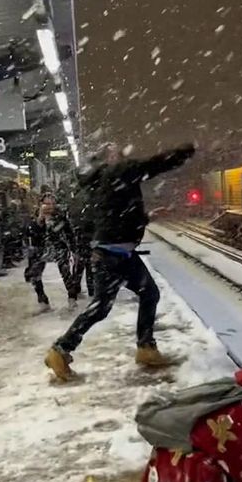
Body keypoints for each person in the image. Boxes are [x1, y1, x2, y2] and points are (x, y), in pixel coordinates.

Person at [43, 142, 197, 381]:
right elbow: (153, 164)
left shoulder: (100, 183)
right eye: (115, 151)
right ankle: (60, 350)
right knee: (101, 308)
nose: (123, 153)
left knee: (146, 294)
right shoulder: (117, 172)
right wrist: (187, 150)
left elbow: (115, 214)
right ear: (109, 159)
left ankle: (146, 348)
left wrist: (146, 217)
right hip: (114, 254)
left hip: (116, 252)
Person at [25, 193, 80, 311]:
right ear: (41, 204)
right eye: (46, 204)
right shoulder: (35, 216)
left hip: (58, 246)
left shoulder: (60, 216)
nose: (49, 207)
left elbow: (69, 233)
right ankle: (43, 300)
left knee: (66, 273)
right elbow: (31, 233)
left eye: (52, 204)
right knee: (35, 274)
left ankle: (72, 298)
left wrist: (74, 250)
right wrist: (40, 219)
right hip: (40, 248)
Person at [66, 175, 97, 298]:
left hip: (80, 235)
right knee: (89, 264)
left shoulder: (75, 199)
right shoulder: (92, 197)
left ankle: (76, 286)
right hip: (90, 235)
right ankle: (91, 289)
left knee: (79, 264)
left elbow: (72, 217)